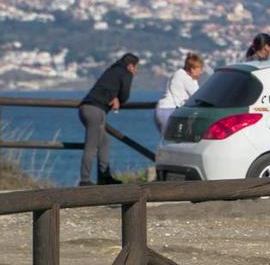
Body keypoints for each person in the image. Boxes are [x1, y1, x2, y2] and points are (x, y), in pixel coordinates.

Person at [78, 53, 139, 186]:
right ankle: (84, 180)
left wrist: (115, 97)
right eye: (136, 67)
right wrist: (119, 100)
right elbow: (125, 94)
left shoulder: (112, 70)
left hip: (86, 108)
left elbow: (108, 88)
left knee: (104, 141)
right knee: (91, 145)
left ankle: (105, 176)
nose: (136, 71)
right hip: (96, 110)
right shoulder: (126, 73)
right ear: (130, 66)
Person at [154, 53, 204, 134]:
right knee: (173, 142)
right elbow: (198, 96)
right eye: (200, 69)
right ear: (192, 69)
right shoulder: (186, 78)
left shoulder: (179, 73)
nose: (201, 72)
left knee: (168, 142)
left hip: (161, 110)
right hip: (168, 111)